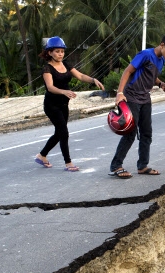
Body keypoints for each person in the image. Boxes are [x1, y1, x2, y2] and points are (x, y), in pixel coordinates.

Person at [109, 32, 165, 179]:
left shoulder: (161, 60)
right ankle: (116, 165)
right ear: (162, 45)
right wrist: (120, 93)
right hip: (132, 96)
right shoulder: (146, 55)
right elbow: (128, 71)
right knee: (130, 132)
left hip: (145, 98)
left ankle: (142, 166)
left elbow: (151, 75)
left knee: (146, 133)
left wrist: (161, 84)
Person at [35, 36, 104, 172]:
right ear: (50, 53)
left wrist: (93, 80)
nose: (60, 54)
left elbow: (80, 76)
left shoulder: (65, 64)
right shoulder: (47, 69)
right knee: (64, 133)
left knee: (59, 133)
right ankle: (68, 163)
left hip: (63, 105)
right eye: (57, 51)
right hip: (51, 105)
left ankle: (42, 155)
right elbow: (50, 87)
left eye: (62, 51)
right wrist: (64, 92)